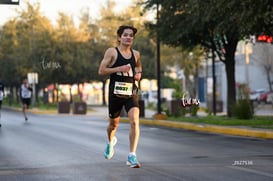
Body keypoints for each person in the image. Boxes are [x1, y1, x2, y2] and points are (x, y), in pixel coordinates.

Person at [98, 25, 142, 168]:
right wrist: (119, 69)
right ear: (119, 37)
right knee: (113, 125)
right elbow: (101, 70)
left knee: (134, 121)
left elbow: (139, 67)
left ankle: (131, 156)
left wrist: (138, 74)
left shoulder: (136, 54)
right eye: (126, 35)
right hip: (115, 94)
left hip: (131, 93)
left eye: (131, 35)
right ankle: (110, 142)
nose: (129, 37)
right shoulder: (112, 52)